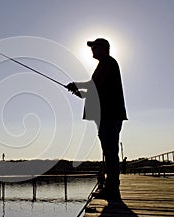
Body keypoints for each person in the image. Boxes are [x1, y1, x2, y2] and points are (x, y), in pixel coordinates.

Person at [66, 38, 127, 200]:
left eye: (95, 46)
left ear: (105, 48)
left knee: (110, 151)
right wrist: (79, 89)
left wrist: (78, 88)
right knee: (108, 150)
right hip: (107, 113)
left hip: (109, 113)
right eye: (91, 47)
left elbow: (95, 87)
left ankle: (112, 189)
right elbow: (95, 86)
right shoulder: (104, 64)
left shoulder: (108, 63)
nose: (92, 49)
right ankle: (110, 187)